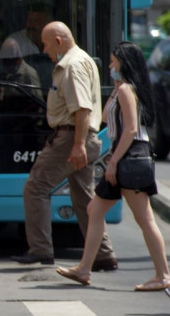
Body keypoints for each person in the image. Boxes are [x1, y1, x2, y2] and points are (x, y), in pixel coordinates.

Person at [57, 41, 170, 290]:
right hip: (127, 156)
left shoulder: (127, 90)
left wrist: (114, 162)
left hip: (131, 158)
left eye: (113, 62)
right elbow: (112, 120)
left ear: (124, 63)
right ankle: (84, 269)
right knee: (95, 210)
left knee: (144, 219)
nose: (110, 67)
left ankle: (163, 275)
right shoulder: (123, 89)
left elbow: (130, 129)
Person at [12, 21, 117, 270]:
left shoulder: (71, 65)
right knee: (84, 198)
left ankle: (40, 249)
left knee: (35, 187)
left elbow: (82, 109)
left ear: (59, 41)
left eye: (46, 44)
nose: (44, 50)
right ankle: (102, 254)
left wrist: (78, 145)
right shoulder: (83, 60)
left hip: (71, 137)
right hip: (82, 136)